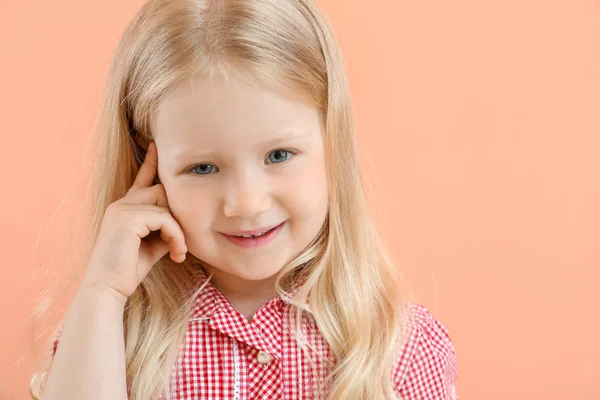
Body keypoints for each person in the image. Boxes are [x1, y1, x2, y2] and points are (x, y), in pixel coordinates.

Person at [30, 0, 458, 398]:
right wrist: (102, 292)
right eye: (202, 168)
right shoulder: (106, 334)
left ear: (332, 141)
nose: (246, 204)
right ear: (150, 162)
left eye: (278, 155)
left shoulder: (399, 347)